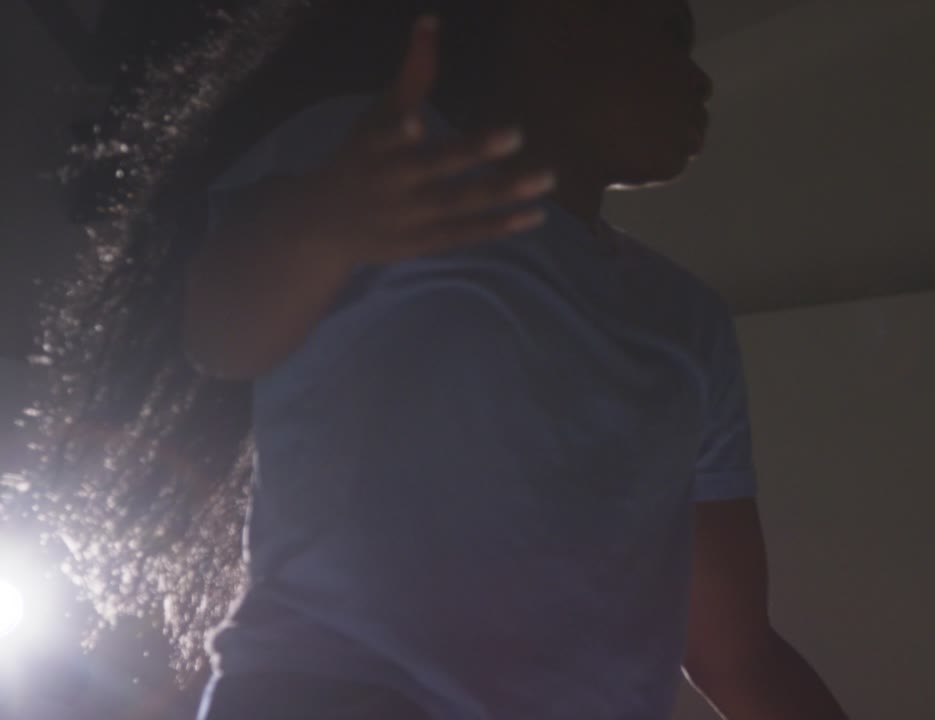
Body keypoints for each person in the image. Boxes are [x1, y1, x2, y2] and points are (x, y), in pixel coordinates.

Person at [33, 1, 848, 718]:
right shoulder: (382, 165)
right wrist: (329, 219)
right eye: (672, 32)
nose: (700, 79)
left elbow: (738, 652)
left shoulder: (688, 319)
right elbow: (219, 333)